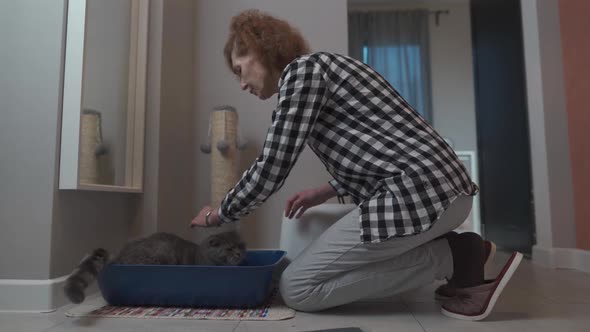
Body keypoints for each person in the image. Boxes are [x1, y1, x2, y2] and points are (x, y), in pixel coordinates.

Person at [190, 9, 522, 321]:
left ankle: (454, 256)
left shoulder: (302, 72)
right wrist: (327, 190)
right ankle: (457, 252)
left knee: (297, 288)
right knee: (304, 279)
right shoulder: (322, 69)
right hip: (437, 188)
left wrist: (220, 211)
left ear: (259, 48)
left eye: (239, 69)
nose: (242, 84)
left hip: (417, 192)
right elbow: (380, 149)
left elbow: (272, 165)